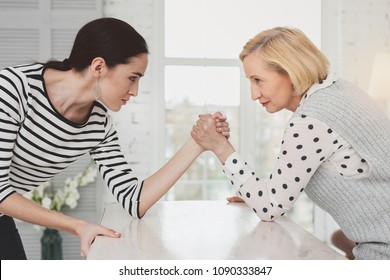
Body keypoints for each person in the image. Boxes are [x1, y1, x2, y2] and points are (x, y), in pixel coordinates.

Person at [0, 17, 230, 260]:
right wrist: (78, 225)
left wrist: (197, 143)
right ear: (98, 67)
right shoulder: (15, 89)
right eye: (133, 77)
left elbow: (134, 200)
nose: (135, 91)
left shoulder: (99, 124)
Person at [191, 27, 390, 260]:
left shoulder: (310, 120)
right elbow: (311, 176)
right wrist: (256, 191)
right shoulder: (340, 90)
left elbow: (269, 207)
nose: (253, 94)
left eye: (258, 80)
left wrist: (221, 147)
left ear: (291, 72)